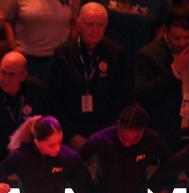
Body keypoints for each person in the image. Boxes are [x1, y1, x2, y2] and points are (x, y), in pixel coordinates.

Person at [47, 3, 131, 150]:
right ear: (79, 24)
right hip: (71, 133)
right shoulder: (63, 53)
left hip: (107, 131)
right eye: (90, 24)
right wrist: (71, 135)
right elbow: (54, 99)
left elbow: (123, 97)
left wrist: (108, 133)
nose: (95, 30)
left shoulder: (116, 53)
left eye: (100, 25)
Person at [134, 7, 189, 152]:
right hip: (165, 135)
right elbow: (143, 96)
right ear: (166, 31)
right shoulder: (148, 54)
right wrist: (174, 71)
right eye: (176, 38)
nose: (181, 43)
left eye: (186, 38)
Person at [0, 50, 50, 158]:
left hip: (30, 155)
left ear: (23, 75)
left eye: (11, 75)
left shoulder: (37, 91)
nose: (5, 79)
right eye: (3, 73)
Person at [3, 0, 76, 81]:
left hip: (59, 59)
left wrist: (70, 47)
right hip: (27, 59)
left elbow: (75, 23)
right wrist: (13, 46)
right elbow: (8, 21)